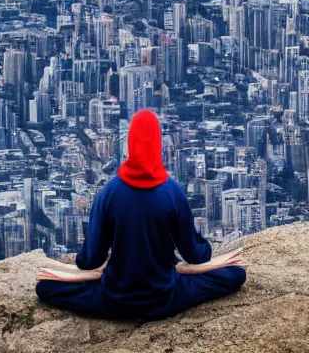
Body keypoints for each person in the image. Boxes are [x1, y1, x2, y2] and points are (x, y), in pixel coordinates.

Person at [34, 109, 246, 321]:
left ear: (130, 144)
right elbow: (196, 256)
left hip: (114, 299)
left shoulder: (108, 193)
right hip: (166, 297)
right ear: (158, 145)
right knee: (236, 274)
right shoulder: (173, 192)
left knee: (45, 288)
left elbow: (89, 261)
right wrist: (203, 248)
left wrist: (92, 266)